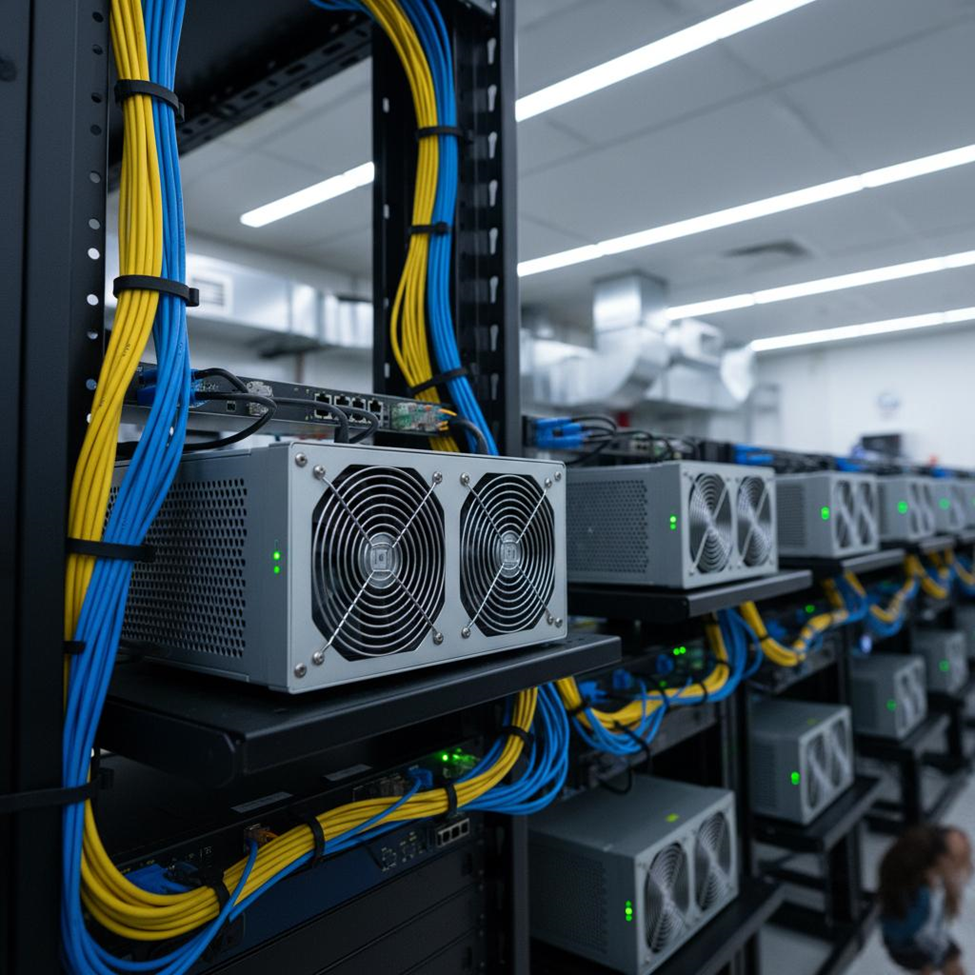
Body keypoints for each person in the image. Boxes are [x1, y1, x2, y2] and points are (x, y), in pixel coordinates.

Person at [879, 824, 972, 974]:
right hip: (909, 943)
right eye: (956, 861)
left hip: (918, 935)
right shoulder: (919, 898)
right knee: (938, 965)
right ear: (941, 860)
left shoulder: (922, 874)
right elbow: (920, 934)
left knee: (949, 963)